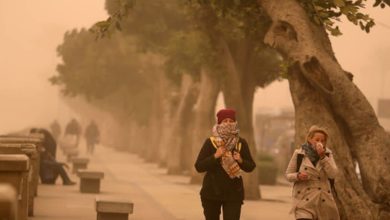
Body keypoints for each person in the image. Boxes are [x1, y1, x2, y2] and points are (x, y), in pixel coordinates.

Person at [195, 108, 256, 220]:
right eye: (225, 121)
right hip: (211, 193)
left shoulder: (240, 143)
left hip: (233, 194)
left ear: (235, 123)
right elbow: (199, 166)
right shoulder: (211, 142)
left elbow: (251, 166)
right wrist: (215, 156)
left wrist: (241, 160)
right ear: (219, 123)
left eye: (230, 121)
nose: (228, 123)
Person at [285, 125, 339, 220]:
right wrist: (298, 176)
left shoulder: (328, 155)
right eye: (317, 140)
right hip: (304, 201)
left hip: (323, 201)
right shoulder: (299, 154)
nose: (320, 143)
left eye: (323, 141)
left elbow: (333, 174)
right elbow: (288, 175)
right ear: (310, 139)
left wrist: (323, 157)